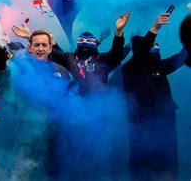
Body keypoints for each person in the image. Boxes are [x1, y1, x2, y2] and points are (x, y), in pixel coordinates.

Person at [0, 30, 71, 180]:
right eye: (37, 45)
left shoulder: (61, 70)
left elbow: (67, 100)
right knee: (23, 173)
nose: (40, 48)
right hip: (25, 133)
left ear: (50, 48)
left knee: (52, 173)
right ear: (30, 48)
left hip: (53, 134)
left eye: (44, 45)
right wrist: (0, 67)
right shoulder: (20, 67)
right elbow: (3, 82)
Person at [122, 13, 188, 181]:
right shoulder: (130, 69)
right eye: (151, 44)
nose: (155, 46)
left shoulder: (160, 66)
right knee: (141, 166)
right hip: (141, 123)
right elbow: (141, 53)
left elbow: (182, 57)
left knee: (168, 163)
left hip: (165, 120)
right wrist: (155, 27)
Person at [50, 12, 131, 94]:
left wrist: (118, 33)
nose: (85, 46)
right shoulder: (71, 58)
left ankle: (100, 38)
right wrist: (52, 43)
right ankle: (100, 38)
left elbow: (116, 53)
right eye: (82, 41)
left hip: (98, 100)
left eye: (88, 41)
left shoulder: (102, 60)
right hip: (77, 98)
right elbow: (57, 54)